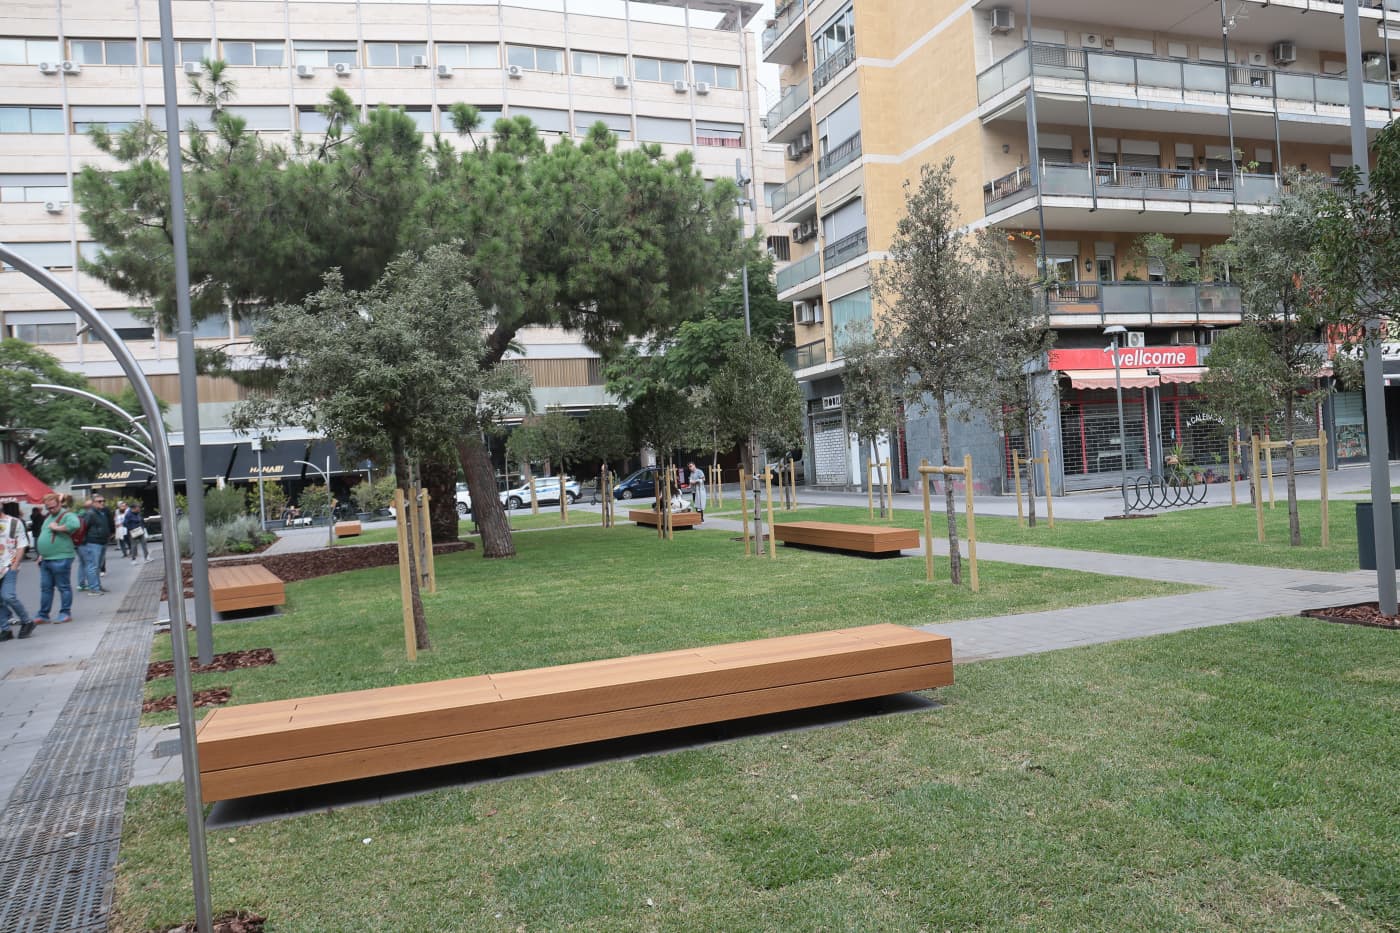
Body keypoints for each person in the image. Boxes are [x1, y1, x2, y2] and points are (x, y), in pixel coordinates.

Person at [35, 492, 80, 625]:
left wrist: (57, 527)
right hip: (46, 558)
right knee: (46, 588)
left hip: (61, 557)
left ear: (59, 503)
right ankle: (43, 614)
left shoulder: (67, 515)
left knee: (63, 587)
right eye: (48, 508)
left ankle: (65, 613)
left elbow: (75, 525)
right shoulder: (49, 517)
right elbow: (45, 534)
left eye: (53, 507)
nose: (51, 510)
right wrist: (41, 554)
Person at [0, 502, 35, 640]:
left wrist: (15, 564)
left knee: (8, 596)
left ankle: (27, 621)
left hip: (9, 565)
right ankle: (5, 629)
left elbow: (21, 544)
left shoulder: (14, 522)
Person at [78, 496, 111, 595]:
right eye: (99, 501)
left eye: (103, 501)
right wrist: (85, 541)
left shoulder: (101, 513)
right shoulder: (90, 513)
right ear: (93, 503)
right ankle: (94, 588)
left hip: (101, 542)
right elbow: (83, 528)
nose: (102, 503)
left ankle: (97, 586)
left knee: (97, 567)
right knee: (93, 566)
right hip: (93, 542)